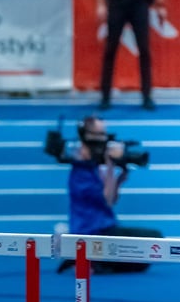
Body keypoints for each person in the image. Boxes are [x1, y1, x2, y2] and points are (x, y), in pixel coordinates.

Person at [55, 115, 162, 274]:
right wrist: (111, 165)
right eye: (101, 134)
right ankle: (86, 258)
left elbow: (112, 199)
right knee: (151, 241)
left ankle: (90, 260)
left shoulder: (93, 167)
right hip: (91, 231)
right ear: (87, 136)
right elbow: (107, 199)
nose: (105, 139)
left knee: (146, 255)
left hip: (106, 227)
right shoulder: (81, 173)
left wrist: (119, 179)